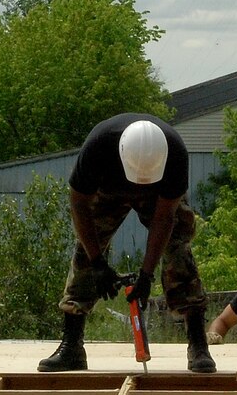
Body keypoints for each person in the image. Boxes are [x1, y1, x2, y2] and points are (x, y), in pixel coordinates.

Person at [37, 112, 215, 374]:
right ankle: (72, 345)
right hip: (107, 191)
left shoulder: (175, 152)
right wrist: (98, 262)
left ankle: (198, 344)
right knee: (85, 253)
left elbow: (164, 218)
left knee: (178, 249)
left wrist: (146, 275)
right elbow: (79, 206)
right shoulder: (98, 147)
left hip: (159, 197)